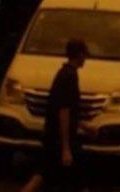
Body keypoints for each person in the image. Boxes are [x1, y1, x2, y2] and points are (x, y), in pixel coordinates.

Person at [21, 38, 88, 191]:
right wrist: (66, 147)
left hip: (53, 135)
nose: (86, 58)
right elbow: (64, 111)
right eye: (84, 54)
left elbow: (68, 110)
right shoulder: (69, 76)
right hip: (59, 138)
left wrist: (84, 125)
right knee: (74, 178)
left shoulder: (64, 73)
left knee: (43, 175)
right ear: (79, 55)